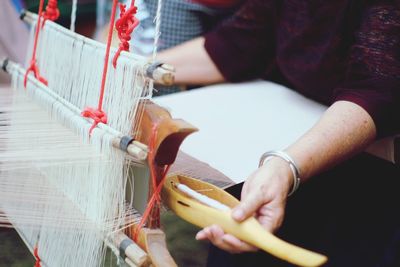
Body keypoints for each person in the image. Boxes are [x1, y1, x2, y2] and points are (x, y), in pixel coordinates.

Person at [156, 1, 400, 266]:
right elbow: (236, 46)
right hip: (279, 168)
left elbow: (376, 93)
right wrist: (135, 69)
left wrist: (285, 167)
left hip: (360, 185)